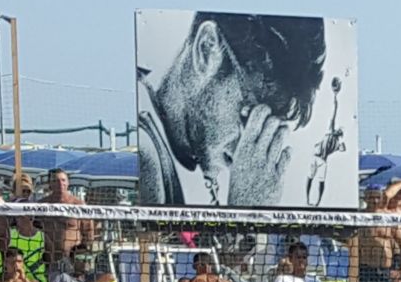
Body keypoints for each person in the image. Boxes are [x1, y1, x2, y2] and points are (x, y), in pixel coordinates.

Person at [137, 12, 327, 206]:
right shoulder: (145, 154)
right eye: (249, 114)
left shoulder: (177, 151)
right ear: (207, 48)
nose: (245, 151)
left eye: (265, 128)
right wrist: (249, 209)